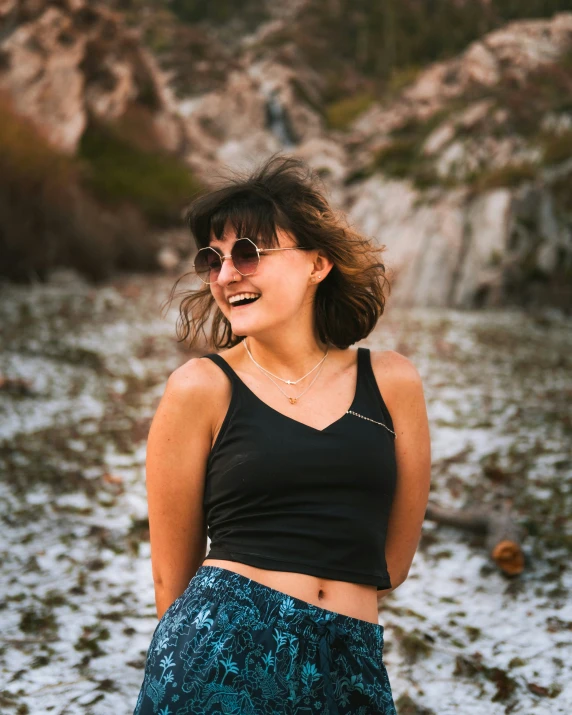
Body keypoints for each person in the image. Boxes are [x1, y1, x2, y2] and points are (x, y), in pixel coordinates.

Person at [133, 154, 431, 714]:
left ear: (318, 264)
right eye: (212, 259)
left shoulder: (391, 381)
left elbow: (390, 564)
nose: (225, 275)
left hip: (349, 664)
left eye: (248, 253)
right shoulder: (200, 387)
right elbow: (169, 584)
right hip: (219, 662)